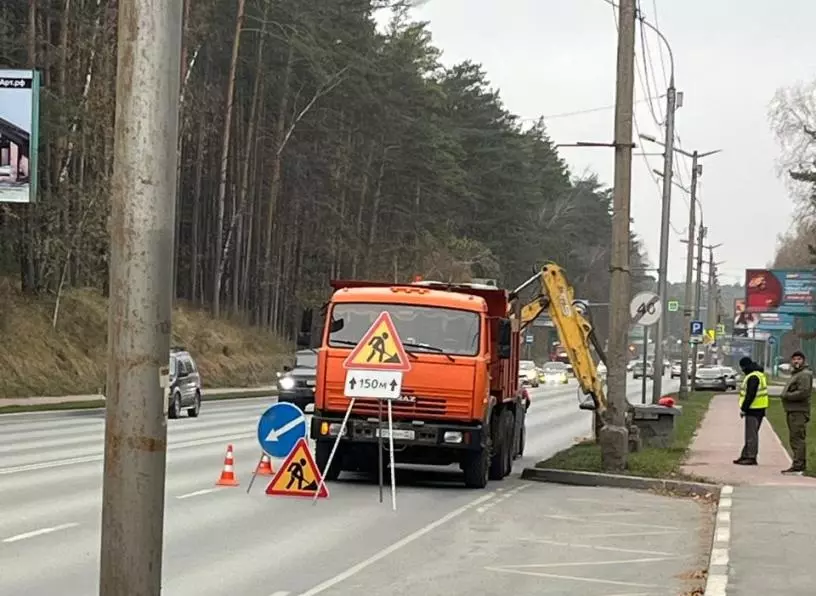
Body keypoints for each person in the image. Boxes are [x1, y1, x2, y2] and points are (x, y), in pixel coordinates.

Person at [779, 350, 813, 475]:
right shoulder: (796, 374)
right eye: (794, 359)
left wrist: (787, 396)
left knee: (797, 438)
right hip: (793, 410)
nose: (796, 361)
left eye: (799, 359)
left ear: (803, 360)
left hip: (799, 411)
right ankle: (798, 463)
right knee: (794, 438)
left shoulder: (804, 374)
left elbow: (803, 392)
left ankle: (799, 465)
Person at [733, 356, 769, 466]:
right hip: (759, 409)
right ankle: (745, 455)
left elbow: (750, 394)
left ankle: (751, 457)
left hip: (753, 409)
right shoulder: (758, 374)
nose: (742, 370)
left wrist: (744, 409)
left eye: (742, 367)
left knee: (751, 435)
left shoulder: (753, 377)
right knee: (751, 434)